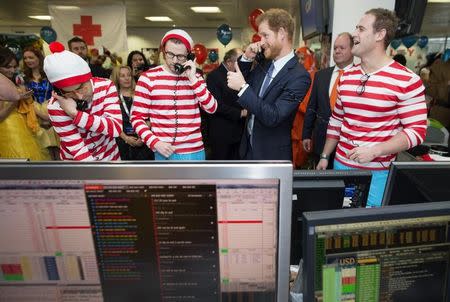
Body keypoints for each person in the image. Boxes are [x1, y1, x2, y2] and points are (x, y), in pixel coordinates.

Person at [317, 8, 428, 207]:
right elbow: (337, 120)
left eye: (361, 29)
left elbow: (416, 132)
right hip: (340, 166)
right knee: (337, 225)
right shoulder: (347, 76)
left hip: (377, 173)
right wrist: (325, 156)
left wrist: (376, 150)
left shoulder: (407, 80)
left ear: (380, 34)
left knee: (364, 229)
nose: (354, 34)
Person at [227, 8, 311, 160]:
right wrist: (246, 58)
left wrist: (242, 87)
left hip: (271, 155)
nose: (261, 42)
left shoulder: (299, 76)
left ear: (281, 33)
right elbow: (240, 90)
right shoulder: (264, 62)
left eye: (265, 35)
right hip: (247, 149)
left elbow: (274, 116)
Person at [130, 29, 217, 160]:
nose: (174, 60)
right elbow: (136, 118)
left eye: (180, 56)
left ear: (188, 56)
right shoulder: (147, 78)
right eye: (170, 54)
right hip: (163, 152)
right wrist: (155, 142)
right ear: (163, 51)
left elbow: (212, 108)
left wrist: (193, 79)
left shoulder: (195, 77)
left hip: (195, 152)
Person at [43, 42, 122, 161]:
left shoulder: (106, 86)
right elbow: (79, 151)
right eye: (70, 92)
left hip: (110, 157)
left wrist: (75, 114)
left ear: (89, 78)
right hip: (77, 163)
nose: (79, 96)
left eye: (80, 88)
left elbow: (115, 128)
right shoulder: (56, 106)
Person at [302, 33, 354, 169]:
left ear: (352, 49)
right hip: (320, 139)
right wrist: (306, 134)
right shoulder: (321, 75)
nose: (337, 51)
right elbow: (312, 106)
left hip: (347, 143)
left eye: (342, 48)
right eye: (335, 48)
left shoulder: (360, 77)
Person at [0, 47, 50, 160]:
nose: (12, 70)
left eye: (14, 67)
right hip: (9, 131)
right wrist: (17, 99)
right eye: (7, 67)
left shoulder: (10, 81)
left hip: (20, 126)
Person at [206, 48, 246, 160]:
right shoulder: (214, 76)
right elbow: (215, 105)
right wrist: (240, 113)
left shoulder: (237, 75)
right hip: (222, 133)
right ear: (229, 62)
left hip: (237, 131)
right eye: (240, 62)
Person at [22, 46, 60, 160]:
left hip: (52, 111)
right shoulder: (23, 78)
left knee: (58, 148)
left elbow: (58, 95)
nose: (28, 60)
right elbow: (24, 100)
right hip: (34, 114)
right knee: (43, 148)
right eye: (25, 58)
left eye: (31, 57)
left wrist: (50, 115)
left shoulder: (51, 76)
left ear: (39, 58)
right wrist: (40, 114)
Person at [110, 65, 154, 160]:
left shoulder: (141, 94)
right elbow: (111, 122)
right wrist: (126, 138)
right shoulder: (112, 97)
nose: (126, 78)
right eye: (122, 76)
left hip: (144, 139)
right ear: (117, 78)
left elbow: (151, 116)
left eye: (129, 75)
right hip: (122, 141)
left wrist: (143, 135)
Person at [291, 46, 317, 168]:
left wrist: (292, 101)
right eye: (298, 58)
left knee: (301, 157)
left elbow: (308, 106)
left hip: (303, 126)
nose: (300, 61)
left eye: (303, 58)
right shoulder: (294, 73)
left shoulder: (314, 76)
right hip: (293, 126)